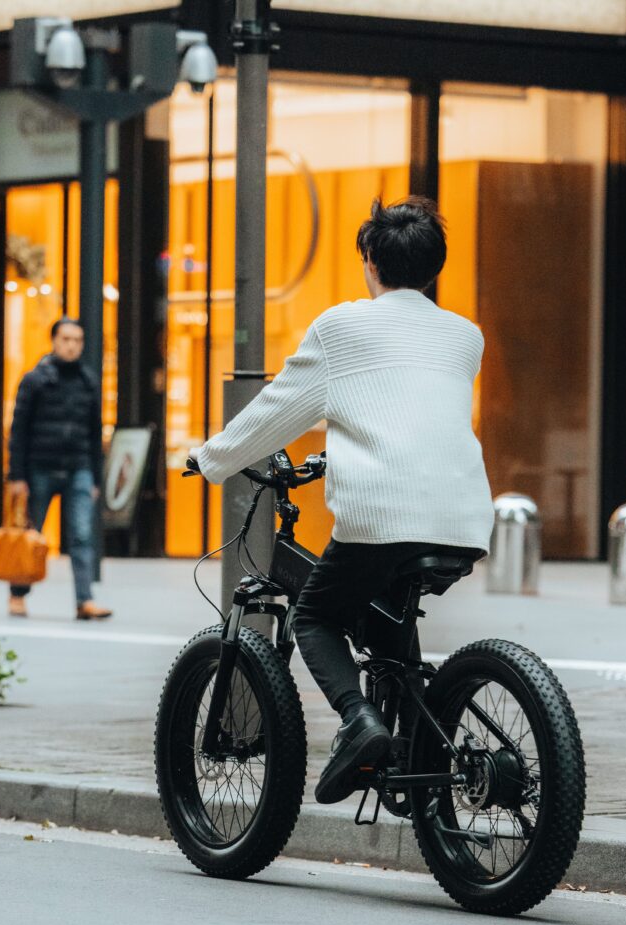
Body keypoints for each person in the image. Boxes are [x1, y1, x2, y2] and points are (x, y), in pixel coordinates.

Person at [190, 197, 494, 804]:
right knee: (388, 612)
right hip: (462, 515)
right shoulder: (466, 336)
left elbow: (279, 409)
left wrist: (213, 458)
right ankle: (411, 757)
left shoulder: (341, 327)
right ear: (434, 269)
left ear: (370, 263)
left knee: (315, 615)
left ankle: (360, 720)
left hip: (383, 510)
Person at [6, 317, 113, 621]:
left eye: (77, 340)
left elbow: (95, 434)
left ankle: (84, 601)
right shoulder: (34, 380)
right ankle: (17, 595)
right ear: (54, 341)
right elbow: (19, 431)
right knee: (29, 535)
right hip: (39, 469)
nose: (72, 345)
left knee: (81, 536)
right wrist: (17, 476)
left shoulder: (88, 382)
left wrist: (94, 476)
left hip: (78, 468)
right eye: (66, 339)